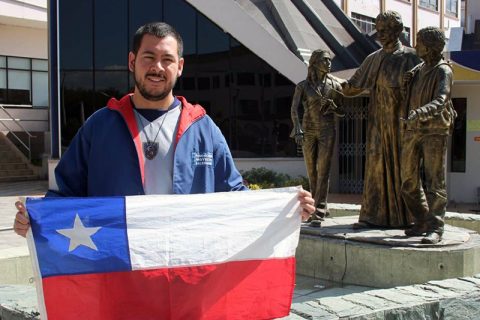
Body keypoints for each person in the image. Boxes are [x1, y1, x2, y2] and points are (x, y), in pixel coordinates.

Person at [14, 22, 315, 237]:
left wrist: (284, 209)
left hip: (186, 266)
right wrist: (34, 218)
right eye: (149, 57)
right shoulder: (99, 126)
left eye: (167, 60)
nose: (157, 67)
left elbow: (235, 195)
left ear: (180, 66)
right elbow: (65, 192)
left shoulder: (204, 129)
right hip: (122, 268)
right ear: (133, 61)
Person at [341, 11, 421, 228]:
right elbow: (353, 87)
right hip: (378, 124)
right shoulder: (373, 58)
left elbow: (425, 91)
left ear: (397, 30)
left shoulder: (412, 57)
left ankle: (412, 219)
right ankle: (372, 217)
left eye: (385, 30)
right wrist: (327, 83)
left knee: (406, 172)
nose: (380, 35)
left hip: (403, 124)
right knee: (376, 168)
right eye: (378, 30)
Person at [401, 27, 456, 244]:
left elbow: (442, 100)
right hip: (414, 129)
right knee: (408, 179)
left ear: (430, 46)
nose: (415, 45)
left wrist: (420, 112)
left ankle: (436, 227)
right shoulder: (419, 69)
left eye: (419, 41)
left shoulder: (443, 71)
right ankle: (421, 219)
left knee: (435, 181)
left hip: (434, 130)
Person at [290, 49, 344, 225]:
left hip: (327, 130)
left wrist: (334, 106)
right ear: (315, 63)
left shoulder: (335, 85)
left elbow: (342, 111)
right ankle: (318, 207)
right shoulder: (303, 86)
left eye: (329, 61)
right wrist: (297, 128)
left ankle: (318, 211)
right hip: (308, 130)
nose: (328, 64)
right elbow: (295, 109)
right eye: (324, 61)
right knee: (312, 171)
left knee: (323, 170)